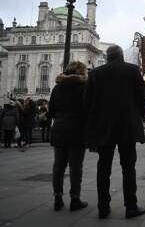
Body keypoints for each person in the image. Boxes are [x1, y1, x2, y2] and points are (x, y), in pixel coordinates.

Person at [84, 45, 145, 219]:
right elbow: (143, 95)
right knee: (128, 168)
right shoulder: (132, 70)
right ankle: (131, 206)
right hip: (127, 126)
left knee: (103, 168)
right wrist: (138, 114)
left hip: (104, 127)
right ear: (121, 56)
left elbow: (87, 101)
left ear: (107, 57)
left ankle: (103, 207)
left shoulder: (95, 74)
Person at [49, 61, 88, 212]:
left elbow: (51, 110)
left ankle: (57, 198)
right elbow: (88, 108)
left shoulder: (57, 88)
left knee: (58, 166)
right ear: (81, 72)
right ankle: (75, 199)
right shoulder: (84, 87)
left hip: (59, 128)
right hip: (77, 129)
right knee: (75, 167)